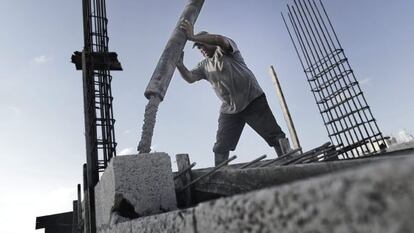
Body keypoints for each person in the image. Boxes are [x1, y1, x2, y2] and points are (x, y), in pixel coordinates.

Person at [177, 20, 286, 166]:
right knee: (221, 147)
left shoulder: (226, 49)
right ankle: (221, 172)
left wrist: (193, 36)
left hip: (252, 100)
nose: (201, 49)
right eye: (198, 48)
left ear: (209, 41)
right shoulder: (204, 66)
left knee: (275, 136)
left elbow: (219, 40)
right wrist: (179, 65)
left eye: (202, 45)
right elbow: (190, 78)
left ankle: (288, 159)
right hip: (230, 110)